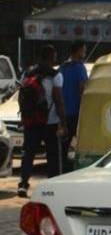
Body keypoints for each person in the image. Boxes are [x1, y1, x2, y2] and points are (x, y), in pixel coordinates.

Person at [17, 45, 67, 198]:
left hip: (31, 121)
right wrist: (63, 122)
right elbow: (58, 100)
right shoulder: (56, 75)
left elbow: (23, 96)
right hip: (50, 122)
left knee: (29, 154)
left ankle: (23, 185)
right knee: (52, 155)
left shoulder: (28, 73)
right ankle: (52, 187)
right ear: (52, 57)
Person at [59, 41, 88, 170]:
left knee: (63, 146)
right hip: (76, 113)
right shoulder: (80, 68)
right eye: (83, 50)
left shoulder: (63, 67)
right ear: (78, 51)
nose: (85, 53)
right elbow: (83, 89)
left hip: (62, 113)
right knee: (80, 143)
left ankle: (62, 169)